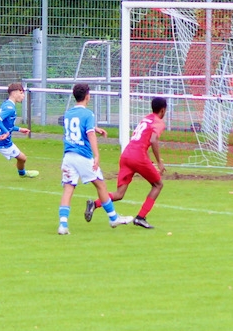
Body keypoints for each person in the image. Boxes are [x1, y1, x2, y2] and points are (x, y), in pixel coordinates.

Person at [57, 83, 132, 235]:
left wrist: (94, 128)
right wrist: (96, 155)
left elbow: (74, 129)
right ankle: (113, 218)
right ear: (87, 96)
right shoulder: (88, 114)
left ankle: (63, 225)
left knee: (68, 189)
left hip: (68, 156)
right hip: (83, 156)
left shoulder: (68, 113)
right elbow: (89, 134)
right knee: (101, 185)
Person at [86, 96, 168, 229]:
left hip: (126, 154)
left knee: (119, 194)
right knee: (158, 185)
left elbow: (141, 140)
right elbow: (153, 140)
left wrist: (149, 160)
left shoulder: (145, 119)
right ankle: (141, 217)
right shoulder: (158, 122)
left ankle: (94, 204)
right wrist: (159, 162)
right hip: (138, 156)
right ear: (163, 110)